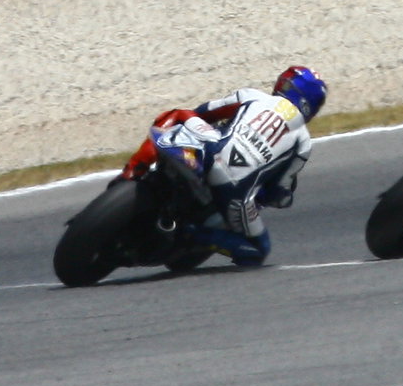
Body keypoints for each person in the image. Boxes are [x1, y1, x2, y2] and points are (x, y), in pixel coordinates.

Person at [120, 64, 328, 267]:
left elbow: (205, 112)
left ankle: (133, 169)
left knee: (178, 114)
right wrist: (281, 198)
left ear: (286, 86)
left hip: (210, 152)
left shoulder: (253, 96)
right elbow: (280, 191)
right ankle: (194, 233)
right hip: (236, 193)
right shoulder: (303, 143)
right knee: (258, 250)